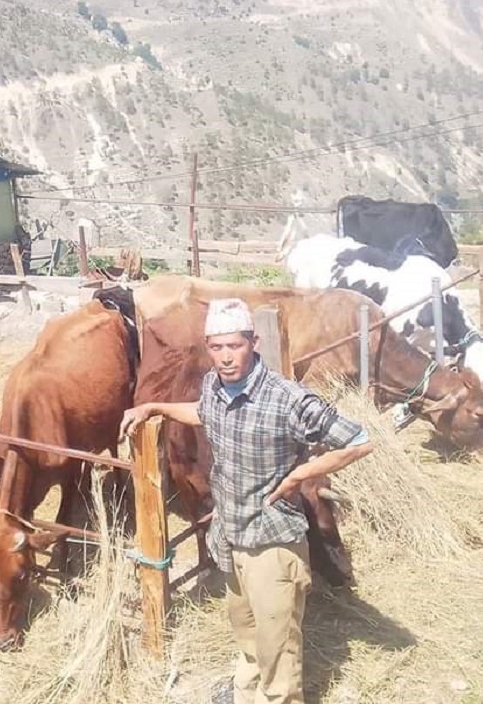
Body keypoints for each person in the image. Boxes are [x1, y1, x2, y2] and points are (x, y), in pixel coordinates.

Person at [119, 298, 373, 704]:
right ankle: (246, 694)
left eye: (234, 346)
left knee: (278, 646)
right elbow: (204, 412)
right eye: (216, 347)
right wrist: (154, 406)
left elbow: (358, 440)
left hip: (272, 545)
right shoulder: (214, 388)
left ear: (253, 343)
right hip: (232, 535)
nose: (225, 357)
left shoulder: (287, 398)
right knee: (247, 629)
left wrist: (302, 473)